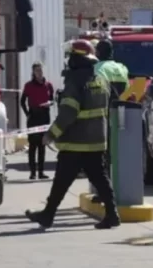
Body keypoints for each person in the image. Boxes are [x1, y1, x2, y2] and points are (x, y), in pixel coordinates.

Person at [25, 40, 120, 230]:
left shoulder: (75, 80)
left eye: (71, 56)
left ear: (78, 58)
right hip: (96, 141)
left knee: (62, 180)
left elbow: (68, 113)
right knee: (100, 179)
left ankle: (48, 215)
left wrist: (51, 134)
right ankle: (112, 215)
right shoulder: (100, 78)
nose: (68, 60)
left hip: (76, 141)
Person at [91, 39, 129, 198]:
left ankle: (103, 192)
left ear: (98, 53)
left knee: (101, 158)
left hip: (102, 116)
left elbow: (94, 92)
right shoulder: (122, 68)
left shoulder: (97, 68)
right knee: (118, 155)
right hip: (121, 115)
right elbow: (127, 91)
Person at [20, 62, 54, 180]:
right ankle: (32, 172)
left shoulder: (48, 85)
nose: (39, 73)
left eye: (40, 70)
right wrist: (27, 113)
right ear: (33, 72)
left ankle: (41, 172)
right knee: (33, 146)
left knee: (42, 145)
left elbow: (52, 100)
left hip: (44, 117)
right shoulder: (28, 85)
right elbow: (22, 101)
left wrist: (49, 103)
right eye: (37, 71)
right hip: (33, 117)